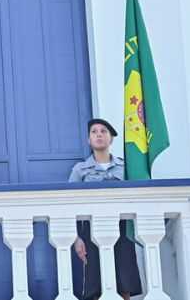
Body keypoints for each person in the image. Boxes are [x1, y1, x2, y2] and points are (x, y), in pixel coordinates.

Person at [68, 118, 143, 300]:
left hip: (122, 231)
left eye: (104, 131)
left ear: (111, 139)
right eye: (94, 132)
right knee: (95, 285)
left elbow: (137, 197)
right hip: (91, 232)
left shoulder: (125, 167)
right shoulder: (80, 170)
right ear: (88, 139)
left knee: (124, 282)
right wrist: (76, 238)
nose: (99, 135)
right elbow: (69, 206)